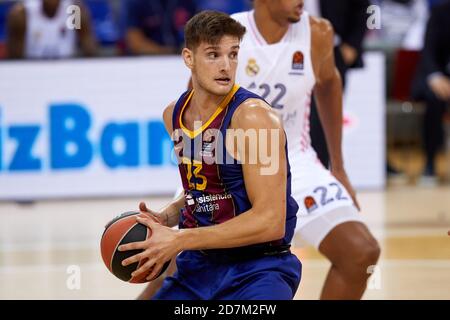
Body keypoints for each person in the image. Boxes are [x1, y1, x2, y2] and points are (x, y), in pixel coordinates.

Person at [119, 10, 302, 300]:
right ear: (188, 58)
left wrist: (180, 239)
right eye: (213, 55)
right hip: (199, 268)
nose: (226, 66)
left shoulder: (255, 119)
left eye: (232, 54)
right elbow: (205, 192)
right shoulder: (174, 115)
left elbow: (270, 221)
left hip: (258, 269)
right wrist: (167, 216)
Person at [231, 0, 380, 299]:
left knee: (360, 252)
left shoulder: (318, 32)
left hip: (294, 164)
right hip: (232, 168)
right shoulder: (228, 34)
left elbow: (328, 84)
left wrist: (337, 166)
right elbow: (197, 111)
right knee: (175, 267)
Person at [303, 0, 370, 168]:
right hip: (291, 47)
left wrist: (353, 45)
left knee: (325, 118)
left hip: (333, 50)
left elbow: (364, 7)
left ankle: (320, 172)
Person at [411, 0, 450, 181]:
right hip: (439, 77)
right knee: (434, 100)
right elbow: (428, 51)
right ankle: (430, 163)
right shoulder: (439, 13)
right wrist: (435, 76)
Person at [6, 0, 97, 59]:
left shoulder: (75, 11)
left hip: (67, 70)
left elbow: (90, 52)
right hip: (32, 71)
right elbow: (15, 58)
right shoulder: (22, 13)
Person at [123, 0, 197, 55]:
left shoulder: (188, 2)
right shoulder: (137, 3)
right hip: (147, 60)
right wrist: (166, 52)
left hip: (182, 57)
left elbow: (198, 33)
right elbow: (134, 41)